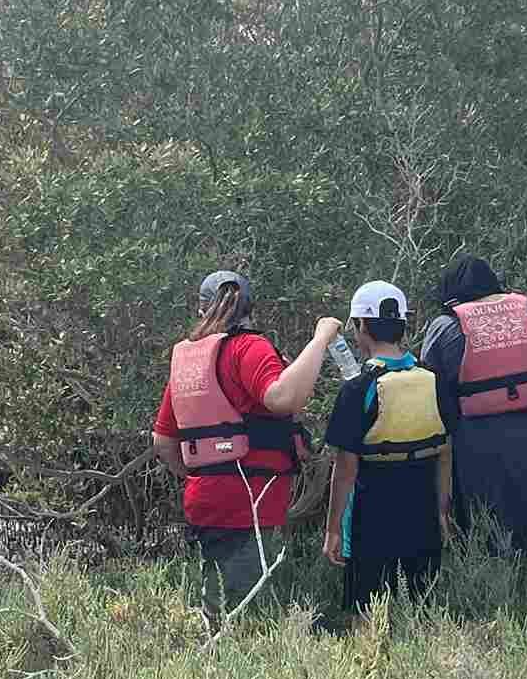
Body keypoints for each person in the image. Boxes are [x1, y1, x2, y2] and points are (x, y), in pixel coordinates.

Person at [150, 268, 341, 627]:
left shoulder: (187, 360)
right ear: (249, 307)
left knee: (217, 601)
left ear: (201, 308)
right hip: (250, 500)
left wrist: (201, 472)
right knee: (247, 617)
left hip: (203, 498)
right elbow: (282, 397)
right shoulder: (248, 347)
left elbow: (163, 441)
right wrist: (320, 339)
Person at [318, 280, 457, 624]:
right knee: (421, 606)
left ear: (360, 326)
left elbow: (345, 469)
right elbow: (444, 453)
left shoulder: (358, 389)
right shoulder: (433, 380)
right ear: (403, 326)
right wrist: (442, 513)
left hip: (371, 509)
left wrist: (333, 529)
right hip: (423, 505)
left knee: (364, 608)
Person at [416, 256, 527, 558]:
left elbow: (429, 383)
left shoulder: (445, 325)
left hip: (475, 435)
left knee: (483, 514)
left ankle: (490, 569)